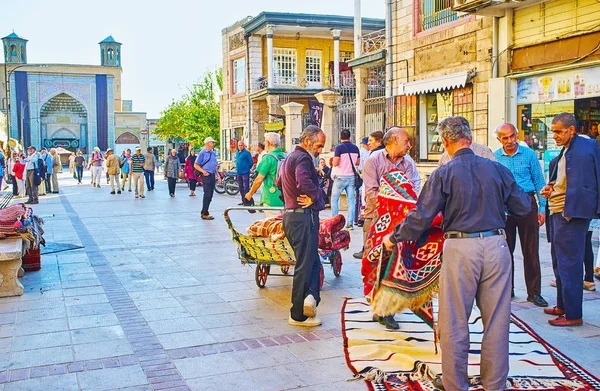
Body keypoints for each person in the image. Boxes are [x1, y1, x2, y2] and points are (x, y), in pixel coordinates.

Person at [382, 116, 531, 391]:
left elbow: (421, 217)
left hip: (460, 248)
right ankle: (494, 384)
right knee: (497, 320)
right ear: (470, 139)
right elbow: (523, 206)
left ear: (446, 143)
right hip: (497, 247)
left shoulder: (444, 173)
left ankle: (454, 384)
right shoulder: (497, 170)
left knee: (454, 320)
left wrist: (394, 237)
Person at [357, 127, 421, 329]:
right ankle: (377, 306)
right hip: (376, 218)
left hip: (400, 224)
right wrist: (392, 207)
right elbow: (371, 193)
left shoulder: (408, 163)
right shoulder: (373, 161)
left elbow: (412, 190)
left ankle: (389, 310)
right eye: (406, 140)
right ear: (394, 139)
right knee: (375, 264)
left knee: (395, 265)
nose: (409, 145)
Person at [541, 112, 600, 327]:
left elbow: (585, 186)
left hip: (570, 215)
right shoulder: (568, 150)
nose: (554, 135)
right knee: (560, 262)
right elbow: (566, 180)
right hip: (560, 212)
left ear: (571, 130)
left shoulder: (582, 151)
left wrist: (570, 211)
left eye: (559, 131)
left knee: (570, 265)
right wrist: (552, 187)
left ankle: (573, 314)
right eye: (553, 131)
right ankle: (563, 306)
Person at [276, 125, 326, 327]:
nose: (320, 150)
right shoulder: (303, 158)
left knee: (313, 263)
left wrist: (290, 199)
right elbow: (303, 180)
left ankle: (310, 299)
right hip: (303, 217)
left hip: (292, 216)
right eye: (319, 145)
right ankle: (297, 313)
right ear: (307, 141)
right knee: (305, 266)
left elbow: (279, 183)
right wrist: (313, 196)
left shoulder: (289, 157)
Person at [493, 123, 548, 307]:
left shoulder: (529, 154)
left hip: (527, 202)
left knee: (531, 250)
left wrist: (542, 209)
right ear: (499, 139)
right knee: (505, 250)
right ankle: (507, 290)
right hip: (505, 205)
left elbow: (540, 182)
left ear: (517, 135)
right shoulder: (494, 158)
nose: (510, 141)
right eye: (505, 138)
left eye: (512, 136)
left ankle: (534, 292)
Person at [244, 132, 285, 217]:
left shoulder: (268, 158)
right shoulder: (284, 156)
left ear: (268, 143)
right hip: (285, 197)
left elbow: (259, 179)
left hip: (271, 197)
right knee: (283, 227)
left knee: (272, 226)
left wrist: (250, 194)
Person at [331, 129, 360, 229]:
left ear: (340, 137)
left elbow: (335, 163)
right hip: (351, 177)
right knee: (351, 201)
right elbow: (357, 163)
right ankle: (350, 223)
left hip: (340, 177)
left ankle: (334, 223)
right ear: (350, 137)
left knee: (334, 199)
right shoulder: (356, 148)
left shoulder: (339, 148)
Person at [195, 137, 219, 220]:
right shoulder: (202, 153)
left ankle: (205, 211)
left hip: (212, 175)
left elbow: (215, 165)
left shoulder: (213, 153)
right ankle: (204, 213)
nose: (213, 144)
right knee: (207, 194)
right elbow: (196, 165)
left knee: (210, 195)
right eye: (212, 142)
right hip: (205, 176)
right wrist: (203, 171)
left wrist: (218, 176)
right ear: (208, 143)